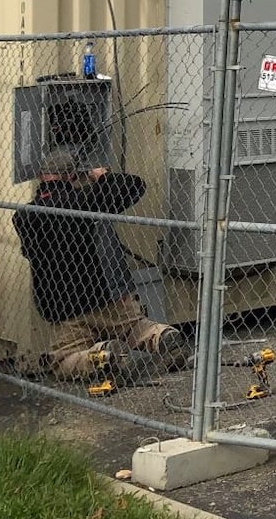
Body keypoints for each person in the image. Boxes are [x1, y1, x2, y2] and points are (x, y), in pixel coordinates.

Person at [12, 149, 191, 383]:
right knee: (133, 328)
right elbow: (134, 185)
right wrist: (101, 176)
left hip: (65, 306)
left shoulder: (23, 216)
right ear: (74, 177)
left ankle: (102, 355)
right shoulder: (88, 199)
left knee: (62, 360)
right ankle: (163, 337)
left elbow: (29, 252)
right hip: (108, 295)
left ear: (41, 177)